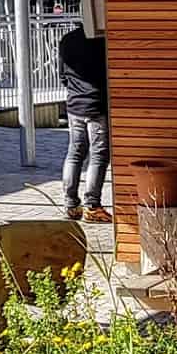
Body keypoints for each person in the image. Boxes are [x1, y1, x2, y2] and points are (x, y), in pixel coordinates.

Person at [55, 27, 110, 222]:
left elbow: (62, 74)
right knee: (99, 155)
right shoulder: (103, 41)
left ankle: (70, 205)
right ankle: (92, 206)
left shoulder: (68, 39)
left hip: (74, 105)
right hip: (97, 105)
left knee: (75, 152)